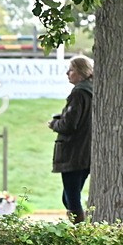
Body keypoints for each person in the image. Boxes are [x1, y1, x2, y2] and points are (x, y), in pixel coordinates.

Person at [49, 55, 94, 224]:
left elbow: (69, 124)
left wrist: (54, 123)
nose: (68, 73)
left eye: (72, 69)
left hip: (74, 152)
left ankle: (81, 231)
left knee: (71, 198)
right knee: (69, 197)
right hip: (86, 151)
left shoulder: (79, 93)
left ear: (81, 72)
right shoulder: (92, 91)